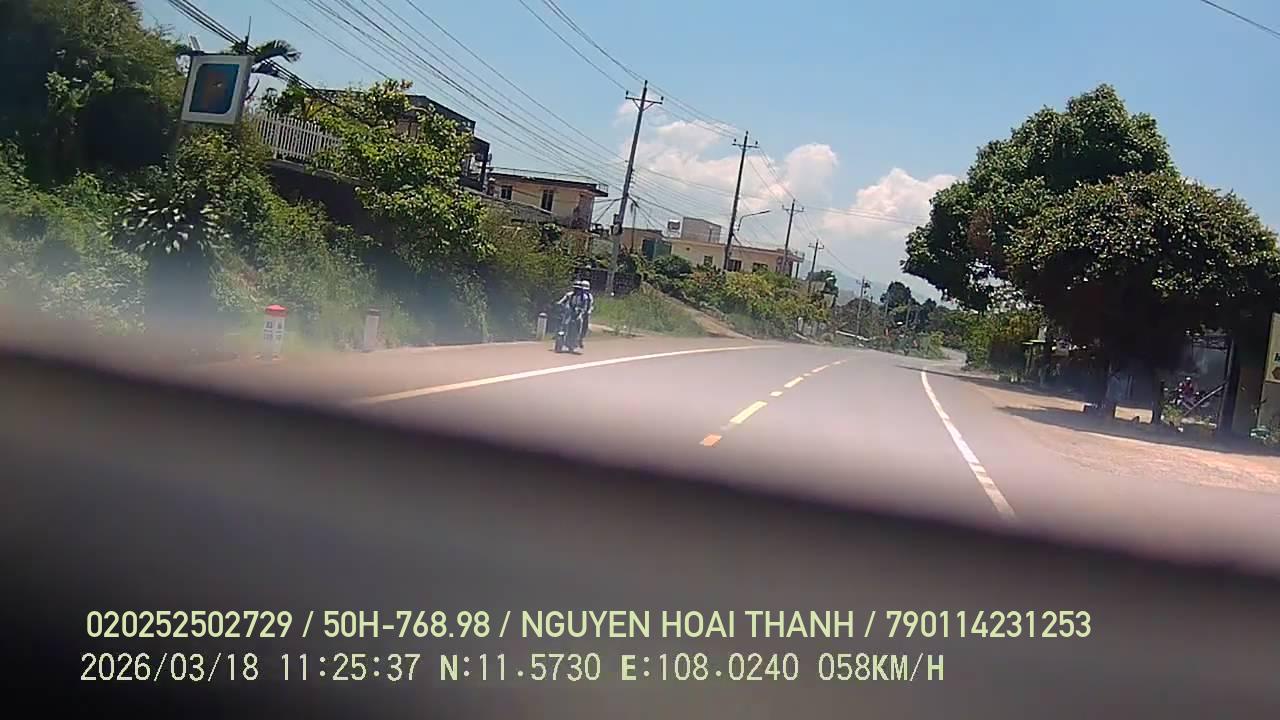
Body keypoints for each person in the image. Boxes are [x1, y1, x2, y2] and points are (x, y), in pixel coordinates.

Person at [555, 280, 593, 349]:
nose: (576, 290)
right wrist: (559, 303)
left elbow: (585, 307)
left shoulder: (585, 297)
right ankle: (561, 334)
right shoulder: (569, 295)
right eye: (575, 288)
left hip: (579, 313)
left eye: (578, 289)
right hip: (569, 313)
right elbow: (563, 300)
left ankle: (578, 338)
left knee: (580, 322)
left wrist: (582, 313)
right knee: (564, 323)